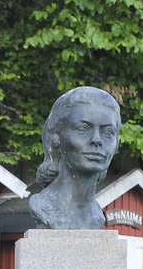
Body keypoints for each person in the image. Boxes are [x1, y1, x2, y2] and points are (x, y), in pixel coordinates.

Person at [28, 87, 121, 230]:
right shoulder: (44, 206)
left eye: (108, 132)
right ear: (56, 137)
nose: (97, 140)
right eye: (82, 128)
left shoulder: (96, 217)